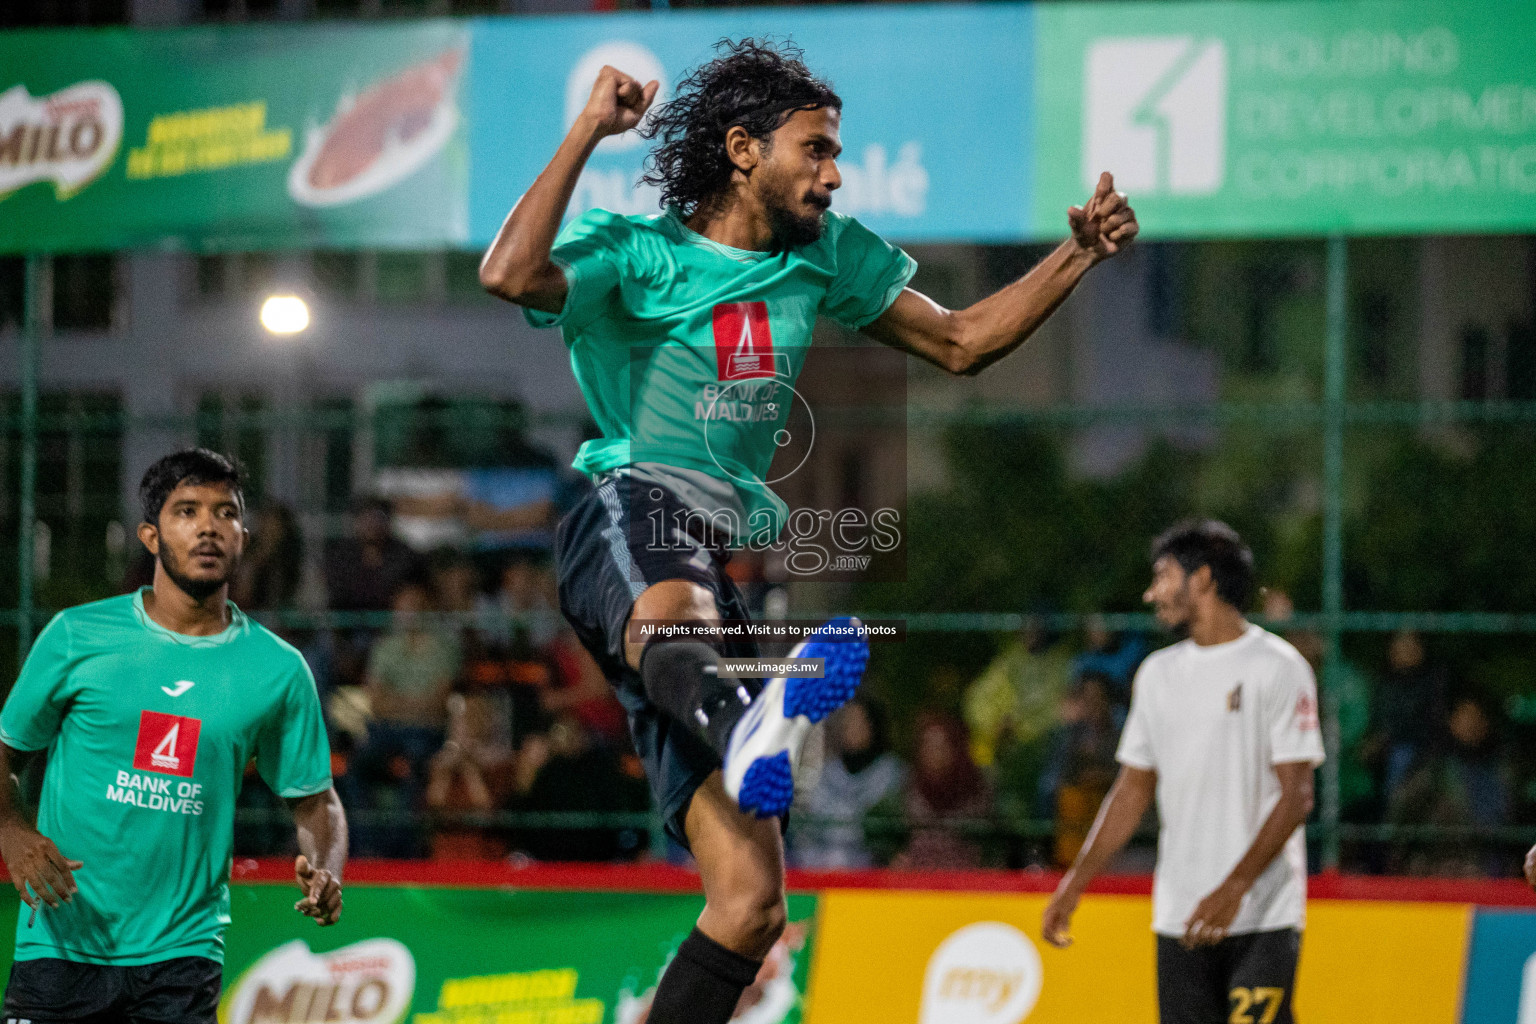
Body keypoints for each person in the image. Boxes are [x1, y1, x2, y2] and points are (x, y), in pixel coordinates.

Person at [480, 38, 1137, 1024]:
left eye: (838, 154)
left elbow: (964, 341)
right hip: (629, 511)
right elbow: (509, 271)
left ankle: (740, 720)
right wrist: (589, 128)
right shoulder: (637, 252)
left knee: (749, 907)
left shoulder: (825, 255)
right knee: (674, 609)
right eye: (817, 150)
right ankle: (746, 720)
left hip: (717, 561)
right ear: (743, 150)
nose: (835, 173)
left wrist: (1077, 251)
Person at [0, 449, 345, 1023]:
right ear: (151, 536)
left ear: (243, 536)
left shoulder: (278, 669)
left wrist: (326, 865)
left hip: (184, 957)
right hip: (60, 945)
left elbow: (315, 799)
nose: (209, 526)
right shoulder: (75, 636)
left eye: (226, 513)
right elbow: (7, 753)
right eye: (186, 511)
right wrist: (10, 829)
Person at [1043, 521, 1324, 1024]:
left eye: (1164, 576)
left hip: (1262, 917)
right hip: (1180, 920)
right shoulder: (1156, 675)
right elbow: (1131, 790)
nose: (1152, 593)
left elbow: (1298, 796)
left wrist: (1233, 889)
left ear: (1204, 580)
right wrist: (1075, 882)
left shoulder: (1278, 667)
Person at [790, 698, 906, 869]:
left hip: (872, 878)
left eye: (859, 722)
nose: (852, 729)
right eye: (847, 722)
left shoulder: (892, 774)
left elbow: (888, 838)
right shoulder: (824, 773)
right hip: (821, 875)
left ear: (873, 726)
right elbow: (807, 830)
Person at [894, 713, 991, 870]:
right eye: (928, 745)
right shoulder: (907, 786)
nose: (934, 752)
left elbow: (991, 844)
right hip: (917, 880)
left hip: (966, 882)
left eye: (941, 745)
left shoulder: (977, 787)